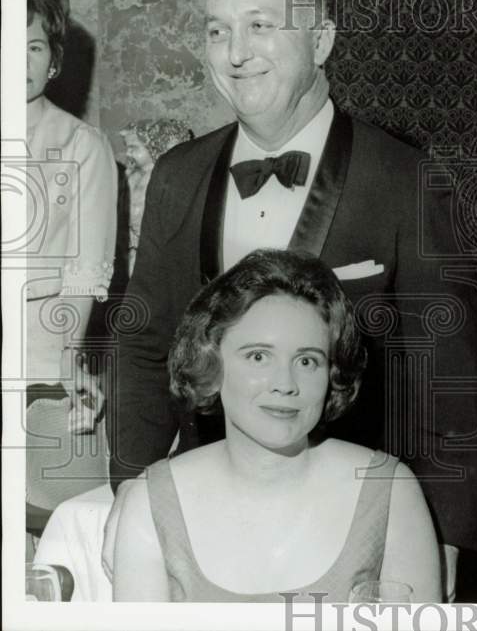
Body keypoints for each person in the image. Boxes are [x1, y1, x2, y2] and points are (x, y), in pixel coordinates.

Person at [109, 0, 477, 588]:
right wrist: (129, 493)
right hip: (209, 520)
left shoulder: (407, 179)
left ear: (322, 38)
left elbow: (449, 375)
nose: (235, 53)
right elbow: (145, 347)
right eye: (217, 30)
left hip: (355, 521)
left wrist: (444, 539)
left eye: (261, 26)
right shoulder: (177, 177)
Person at [112, 249, 441, 601]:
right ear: (209, 361)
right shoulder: (153, 502)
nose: (285, 383)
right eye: (258, 356)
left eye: (307, 360)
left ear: (332, 373)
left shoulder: (390, 492)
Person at [23, 0, 117, 428]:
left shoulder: (83, 146)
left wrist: (68, 358)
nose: (22, 62)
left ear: (54, 60)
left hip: (39, 360)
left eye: (35, 48)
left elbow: (86, 270)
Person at [119, 119, 193, 274]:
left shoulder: (167, 179)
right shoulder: (129, 176)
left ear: (153, 147)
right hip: (132, 249)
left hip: (160, 254)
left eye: (133, 148)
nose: (127, 153)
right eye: (126, 147)